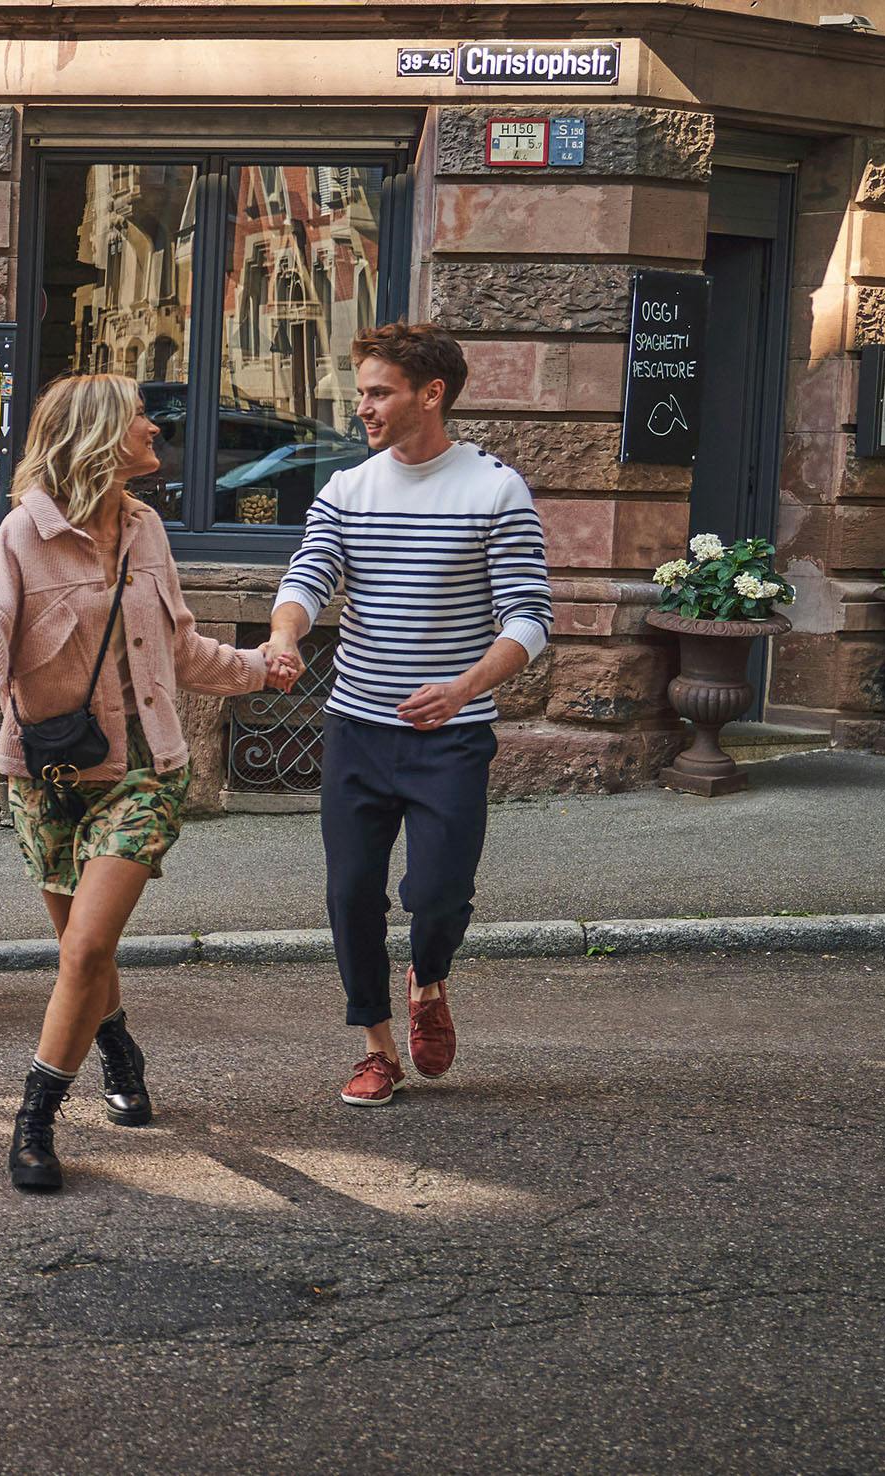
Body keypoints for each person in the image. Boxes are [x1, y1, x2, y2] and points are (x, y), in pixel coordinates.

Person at [0, 373, 290, 1194]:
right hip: (47, 779)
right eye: (138, 420)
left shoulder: (147, 528)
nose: (155, 428)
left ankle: (36, 1119)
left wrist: (260, 670)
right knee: (84, 953)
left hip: (146, 774)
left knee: (85, 947)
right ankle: (117, 1044)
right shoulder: (22, 538)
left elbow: (182, 649)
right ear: (95, 436)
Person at [262, 323, 552, 1110]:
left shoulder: (495, 488)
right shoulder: (350, 489)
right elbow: (309, 577)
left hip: (451, 739)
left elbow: (528, 618)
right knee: (351, 893)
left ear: (431, 394)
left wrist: (462, 687)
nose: (364, 407)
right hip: (356, 730)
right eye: (361, 392)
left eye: (379, 391)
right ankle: (377, 1049)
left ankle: (430, 980)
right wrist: (285, 635)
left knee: (438, 893)